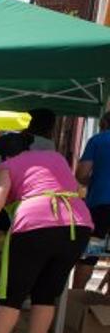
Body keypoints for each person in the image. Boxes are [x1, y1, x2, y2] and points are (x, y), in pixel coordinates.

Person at [0, 132, 92, 333]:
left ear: (4, 155)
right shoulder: (55, 156)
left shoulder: (7, 166)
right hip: (78, 223)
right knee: (46, 294)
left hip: (35, 223)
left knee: (12, 295)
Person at [75, 112, 110, 289]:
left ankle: (75, 300)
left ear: (103, 123)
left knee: (90, 253)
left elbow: (81, 174)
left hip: (100, 204)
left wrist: (95, 180)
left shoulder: (97, 140)